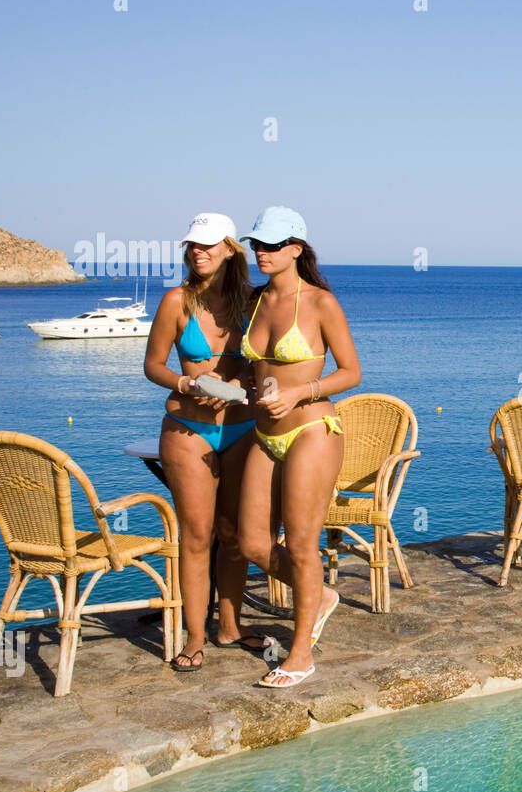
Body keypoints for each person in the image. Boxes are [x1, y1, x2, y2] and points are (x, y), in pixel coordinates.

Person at [236, 207, 361, 688]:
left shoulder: (320, 303)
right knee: (251, 541)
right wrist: (237, 391)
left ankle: (301, 652)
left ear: (296, 249)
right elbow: (256, 370)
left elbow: (351, 372)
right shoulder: (255, 301)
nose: (262, 253)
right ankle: (322, 597)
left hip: (312, 429)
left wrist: (298, 392)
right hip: (265, 434)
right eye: (257, 246)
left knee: (303, 545)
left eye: (271, 245)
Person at [143, 212, 268, 673]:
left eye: (208, 245)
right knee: (197, 536)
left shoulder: (253, 302)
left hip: (242, 428)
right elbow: (153, 365)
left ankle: (230, 628)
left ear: (230, 250)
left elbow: (272, 359)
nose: (198, 252)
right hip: (187, 429)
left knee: (235, 535)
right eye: (193, 245)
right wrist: (185, 383)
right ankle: (194, 636)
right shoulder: (176, 300)